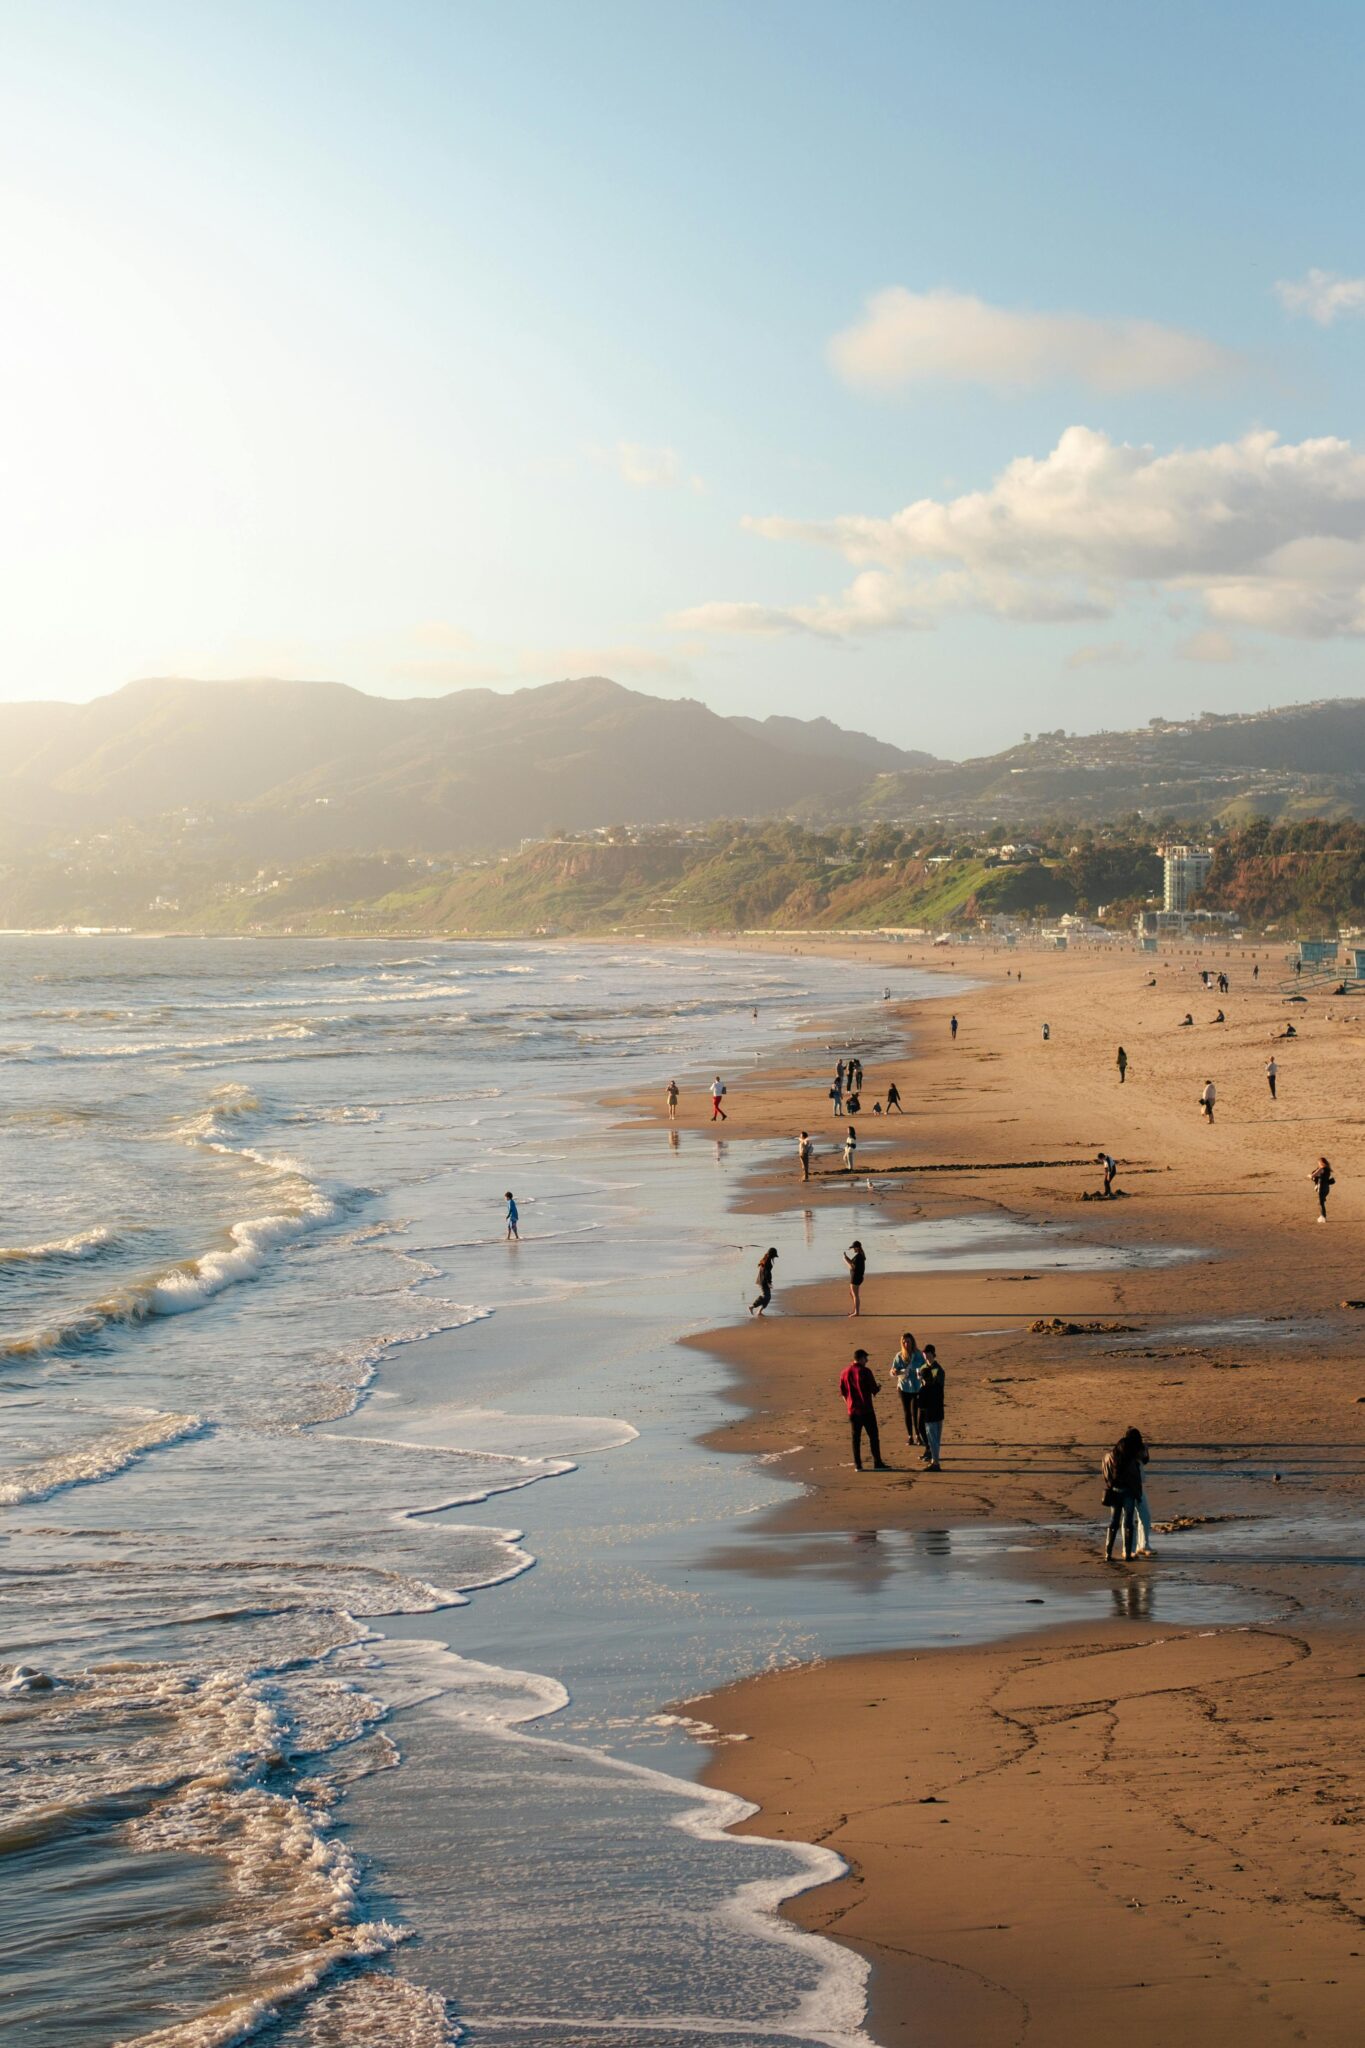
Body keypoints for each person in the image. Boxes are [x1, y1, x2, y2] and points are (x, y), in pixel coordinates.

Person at [1101, 1427, 1147, 1562]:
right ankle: (1127, 1554)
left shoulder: (1109, 1457)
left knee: (1113, 1522)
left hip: (1114, 1492)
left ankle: (1107, 1553)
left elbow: (1105, 1474)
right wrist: (1137, 1495)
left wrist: (1110, 1485)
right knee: (1128, 1523)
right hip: (1128, 1494)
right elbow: (1136, 1479)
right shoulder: (1132, 1461)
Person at [839, 1348, 885, 1471]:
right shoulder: (865, 1371)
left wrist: (848, 1404)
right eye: (865, 1358)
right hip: (866, 1409)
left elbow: (843, 1393)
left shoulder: (844, 1372)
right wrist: (878, 1387)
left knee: (856, 1438)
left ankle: (858, 1465)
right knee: (873, 1436)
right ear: (860, 1359)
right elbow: (873, 1389)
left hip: (852, 1410)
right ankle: (877, 1462)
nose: (867, 1360)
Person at [890, 1330, 926, 1446]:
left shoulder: (919, 1355)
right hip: (903, 1387)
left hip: (916, 1387)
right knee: (906, 1412)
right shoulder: (899, 1356)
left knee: (915, 1412)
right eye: (904, 1342)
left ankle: (918, 1435)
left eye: (908, 1342)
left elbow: (925, 1367)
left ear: (912, 1342)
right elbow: (892, 1371)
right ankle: (910, 1436)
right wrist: (895, 1371)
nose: (906, 1344)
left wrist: (921, 1373)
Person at [918, 1345, 945, 1469]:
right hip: (938, 1410)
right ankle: (934, 1458)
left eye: (928, 1353)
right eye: (925, 1353)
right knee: (934, 1437)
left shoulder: (939, 1370)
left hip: (931, 1412)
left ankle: (935, 1462)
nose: (926, 1355)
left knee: (933, 1437)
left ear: (933, 1354)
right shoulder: (924, 1368)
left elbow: (923, 1402)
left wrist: (925, 1385)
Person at [750, 1246, 778, 1317]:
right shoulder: (767, 1262)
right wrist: (769, 1282)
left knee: (767, 1297)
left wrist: (769, 1282)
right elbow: (767, 1273)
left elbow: (766, 1273)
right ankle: (752, 1306)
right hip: (763, 1281)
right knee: (766, 1296)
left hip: (762, 1280)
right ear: (772, 1255)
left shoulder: (765, 1259)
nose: (774, 1258)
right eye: (774, 1256)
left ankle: (759, 1312)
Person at [844, 1240, 866, 1317]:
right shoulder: (860, 1255)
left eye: (854, 1248)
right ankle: (855, 1310)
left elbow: (851, 1267)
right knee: (852, 1294)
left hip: (856, 1277)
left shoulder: (859, 1256)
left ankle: (856, 1312)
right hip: (858, 1277)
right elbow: (853, 1263)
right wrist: (847, 1258)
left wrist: (845, 1260)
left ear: (857, 1248)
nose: (853, 1249)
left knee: (855, 1295)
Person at [1310, 1155, 1334, 1222]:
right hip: (1327, 1188)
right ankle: (1322, 1216)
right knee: (1321, 1202)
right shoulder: (1328, 1169)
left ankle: (1323, 1217)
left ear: (1321, 1163)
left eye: (1318, 1163)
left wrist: (1309, 1176)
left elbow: (1313, 1175)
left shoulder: (1321, 1169)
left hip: (1321, 1188)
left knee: (1321, 1203)